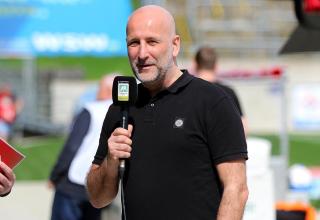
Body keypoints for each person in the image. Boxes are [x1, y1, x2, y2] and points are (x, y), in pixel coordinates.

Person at [87, 5, 248, 220]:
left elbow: (236, 190)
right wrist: (111, 159)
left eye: (152, 42)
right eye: (134, 43)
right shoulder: (120, 109)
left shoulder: (212, 101)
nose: (142, 54)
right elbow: (98, 198)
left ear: (175, 45)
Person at [48, 74, 118, 220]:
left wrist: (56, 175)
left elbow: (72, 146)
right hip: (100, 185)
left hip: (74, 181)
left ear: (106, 90)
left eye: (99, 87)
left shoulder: (91, 109)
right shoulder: (123, 114)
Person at [193, 46, 248, 135]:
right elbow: (243, 128)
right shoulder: (228, 92)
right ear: (216, 65)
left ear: (195, 64)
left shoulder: (187, 91)